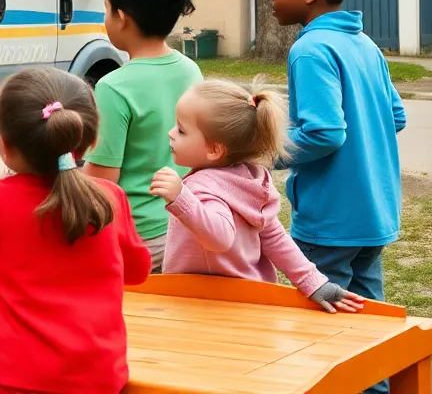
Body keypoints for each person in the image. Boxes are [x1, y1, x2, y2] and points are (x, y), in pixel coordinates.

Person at [0, 67, 152, 394]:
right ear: (89, 140)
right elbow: (137, 271)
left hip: (14, 379)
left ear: (4, 144)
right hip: (97, 375)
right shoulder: (110, 198)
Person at [272, 0, 405, 393]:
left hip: (329, 222)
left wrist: (268, 150)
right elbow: (397, 115)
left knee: (323, 333)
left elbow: (325, 132)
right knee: (367, 327)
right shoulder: (364, 43)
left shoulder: (310, 50)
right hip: (374, 212)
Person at [150, 79, 363, 314]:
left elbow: (219, 238)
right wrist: (313, 282)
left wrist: (181, 198)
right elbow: (273, 236)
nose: (171, 133)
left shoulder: (202, 187)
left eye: (181, 129)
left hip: (211, 304)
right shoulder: (250, 178)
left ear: (214, 150)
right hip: (253, 297)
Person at [83, 0, 203, 272]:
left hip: (135, 237)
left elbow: (102, 183)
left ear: (122, 18)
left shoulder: (113, 87)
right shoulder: (190, 70)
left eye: (107, 9)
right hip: (182, 223)